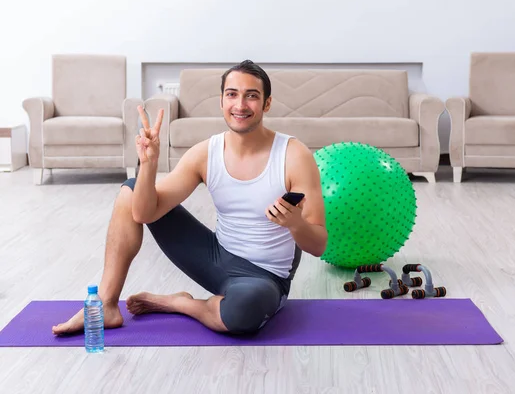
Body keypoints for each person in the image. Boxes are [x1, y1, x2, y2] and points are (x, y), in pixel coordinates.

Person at [52, 60, 328, 335]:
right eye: (232, 94)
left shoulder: (293, 155)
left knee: (242, 313)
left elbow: (318, 245)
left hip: (264, 278)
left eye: (251, 96)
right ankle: (106, 304)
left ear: (266, 104)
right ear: (221, 101)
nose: (240, 105)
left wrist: (295, 224)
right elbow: (145, 213)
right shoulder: (205, 153)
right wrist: (148, 164)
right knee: (131, 191)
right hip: (215, 258)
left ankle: (183, 304)